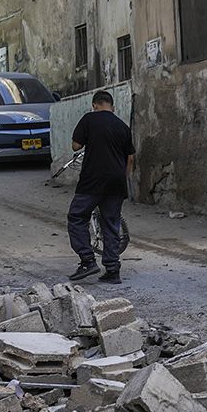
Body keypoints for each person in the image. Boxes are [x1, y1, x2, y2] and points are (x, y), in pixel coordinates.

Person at [65, 91, 135, 283]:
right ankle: (113, 270)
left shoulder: (89, 119)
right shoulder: (123, 127)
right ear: (112, 106)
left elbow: (76, 146)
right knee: (111, 224)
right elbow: (130, 158)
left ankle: (87, 260)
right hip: (116, 182)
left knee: (77, 217)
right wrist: (123, 178)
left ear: (95, 105)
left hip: (92, 180)